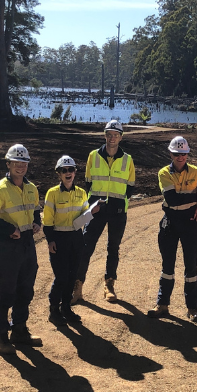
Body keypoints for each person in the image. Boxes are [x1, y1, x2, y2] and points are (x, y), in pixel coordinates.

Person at [0, 144, 43, 354]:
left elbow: (35, 209)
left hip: (27, 243)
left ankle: (20, 330)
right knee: (6, 291)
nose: (20, 167)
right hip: (9, 244)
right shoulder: (0, 189)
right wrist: (8, 229)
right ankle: (1, 337)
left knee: (26, 289)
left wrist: (36, 223)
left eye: (23, 163)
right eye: (16, 163)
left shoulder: (31, 188)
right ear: (8, 164)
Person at [73, 119, 136, 303]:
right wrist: (94, 202)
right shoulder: (93, 155)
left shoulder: (128, 159)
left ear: (120, 137)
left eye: (116, 135)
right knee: (86, 246)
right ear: (105, 136)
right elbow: (88, 182)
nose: (112, 138)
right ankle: (77, 286)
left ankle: (109, 285)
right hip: (96, 209)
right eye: (109, 134)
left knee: (113, 248)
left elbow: (130, 186)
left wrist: (120, 201)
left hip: (117, 210)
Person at [147, 136, 197, 323]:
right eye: (176, 154)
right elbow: (172, 200)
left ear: (187, 153)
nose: (180, 157)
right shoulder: (164, 173)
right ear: (170, 154)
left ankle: (192, 309)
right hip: (171, 221)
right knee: (168, 266)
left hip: (190, 222)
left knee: (191, 267)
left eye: (183, 154)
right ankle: (162, 304)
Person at [43, 155, 100, 326]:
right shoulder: (52, 193)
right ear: (58, 173)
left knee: (72, 276)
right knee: (61, 277)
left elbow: (83, 218)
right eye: (64, 170)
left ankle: (66, 308)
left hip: (76, 238)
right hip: (59, 238)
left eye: (71, 170)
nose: (68, 173)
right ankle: (54, 310)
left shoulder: (82, 193)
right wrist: (50, 241)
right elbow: (47, 221)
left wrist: (92, 212)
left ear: (75, 172)